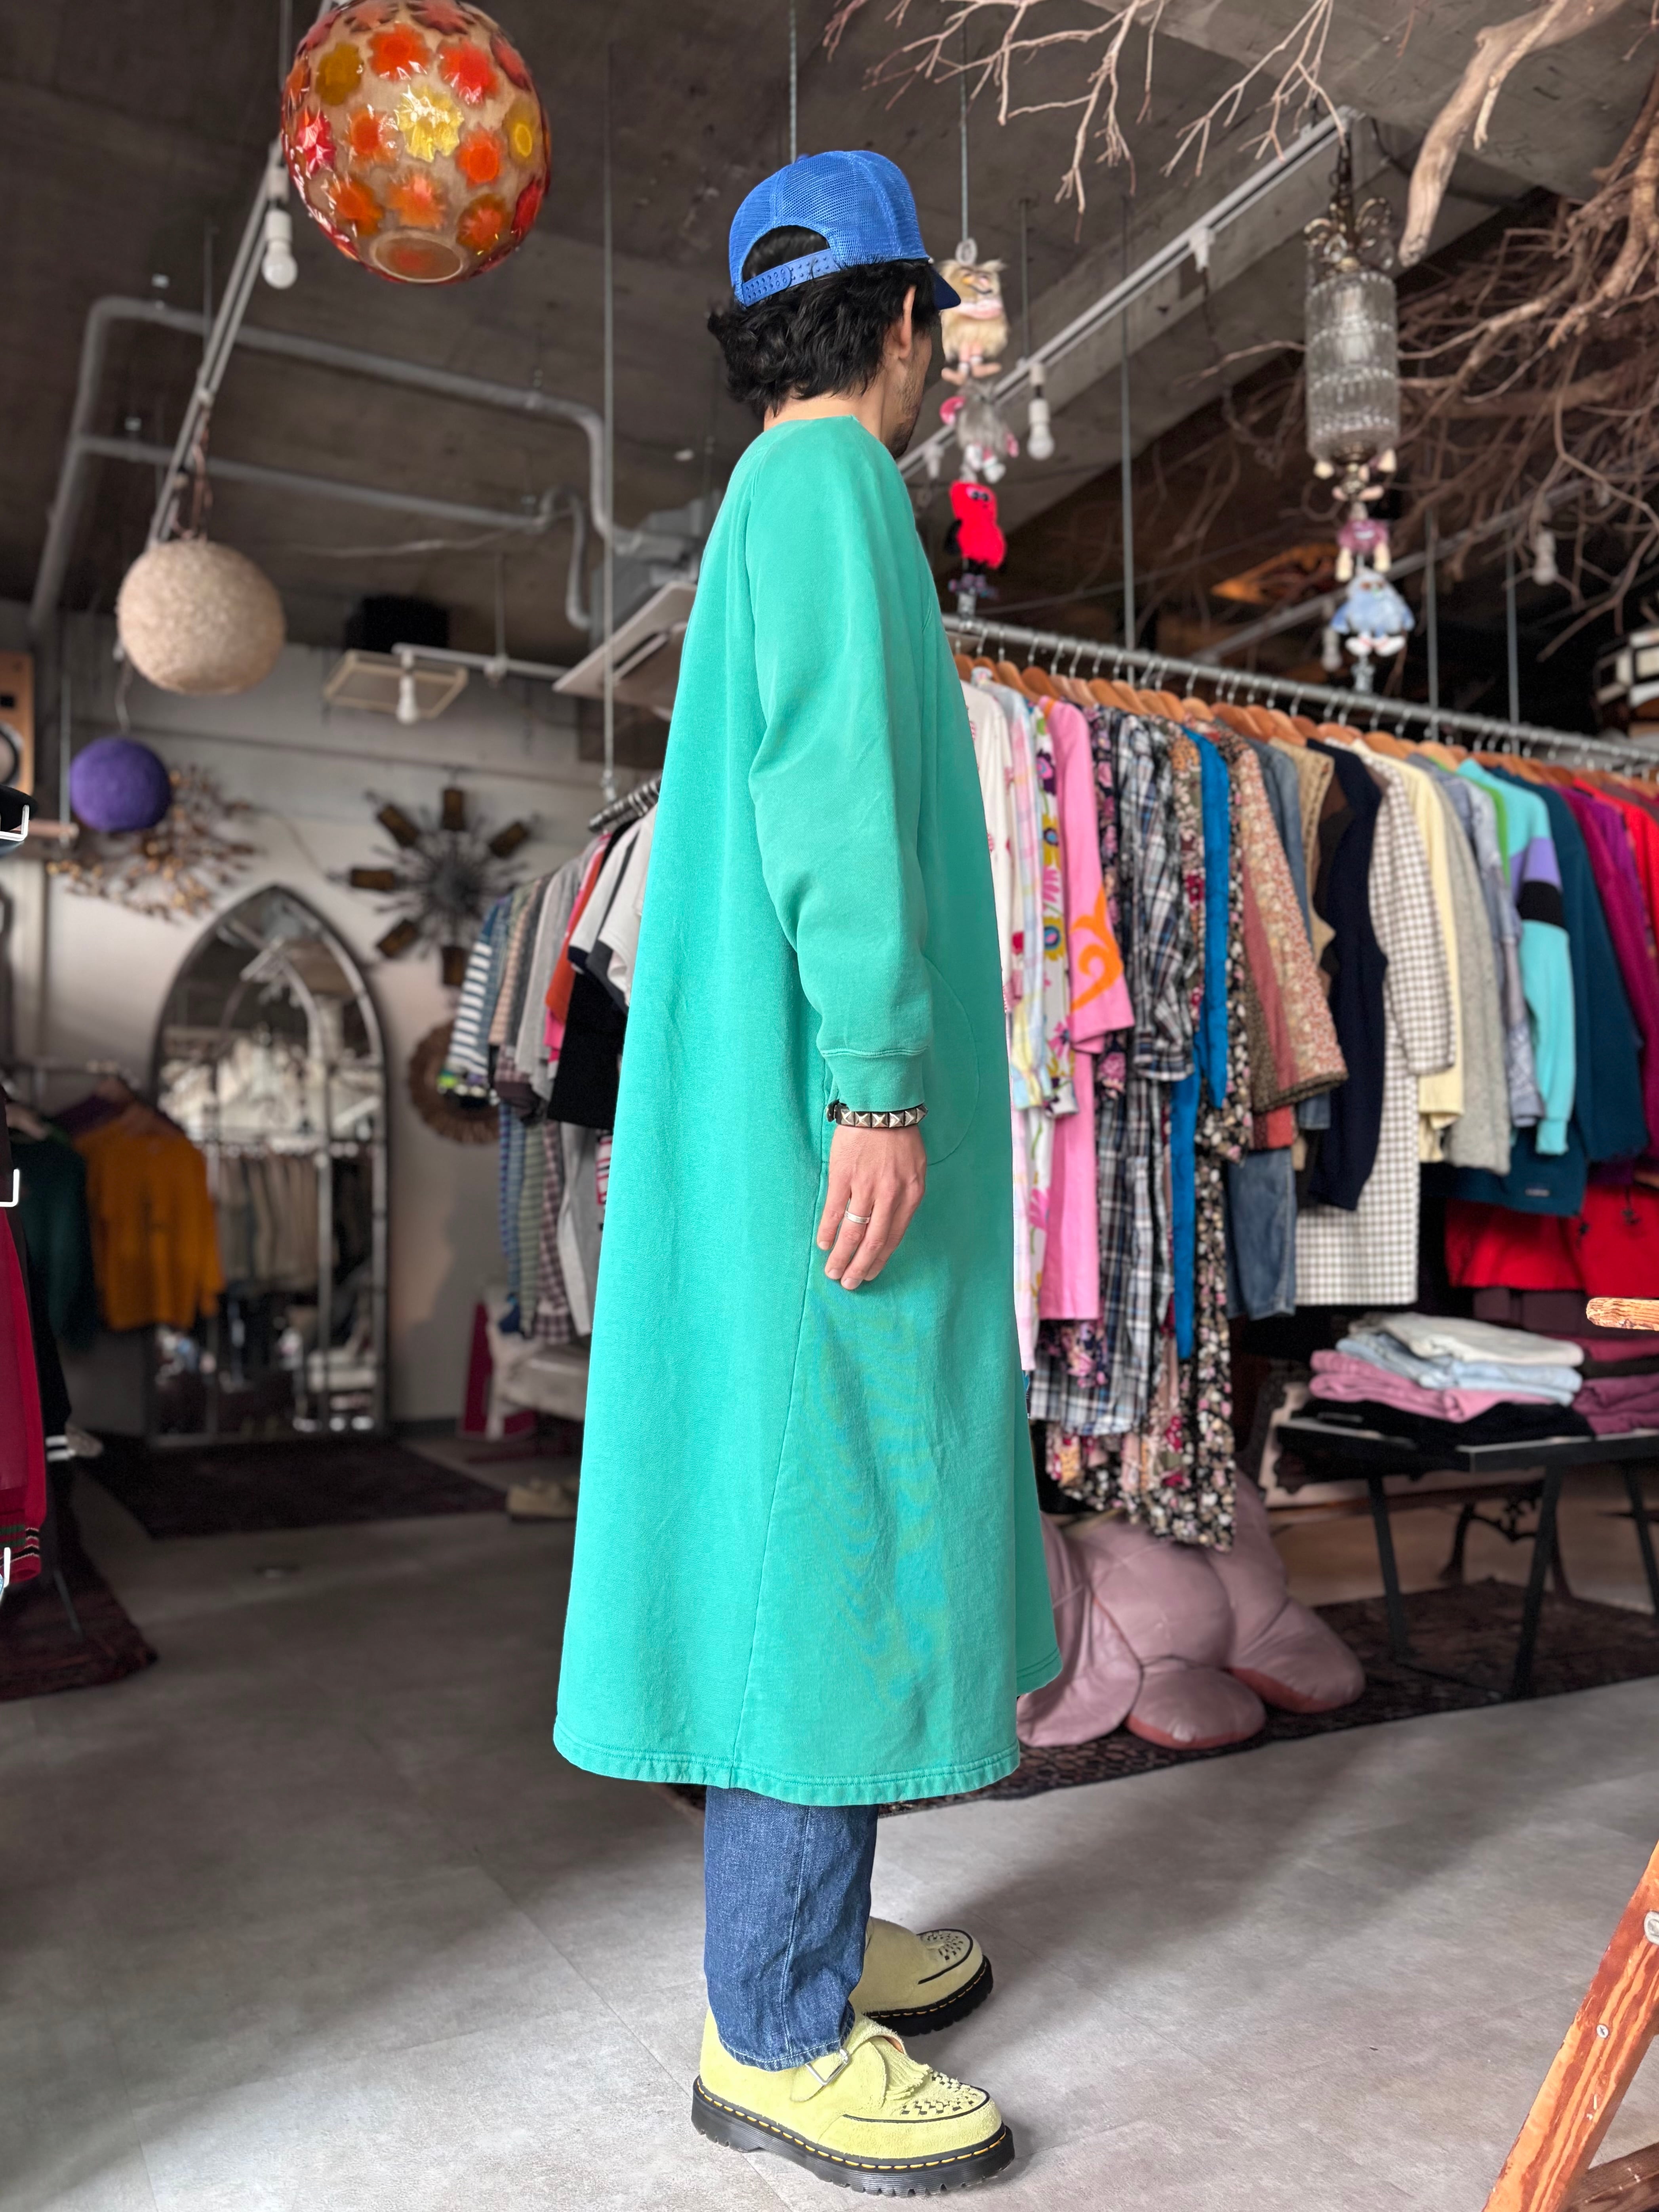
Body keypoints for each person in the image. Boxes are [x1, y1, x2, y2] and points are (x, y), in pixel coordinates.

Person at [554, 149, 1059, 2195]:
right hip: (812, 1117)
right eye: (941, 327)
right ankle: (773, 2022)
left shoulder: (768, 498)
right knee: (825, 1529)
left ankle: (818, 1934)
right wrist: (877, 1086)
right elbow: (834, 797)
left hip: (757, 1112)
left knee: (812, 1505)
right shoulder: (836, 481)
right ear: (905, 320)